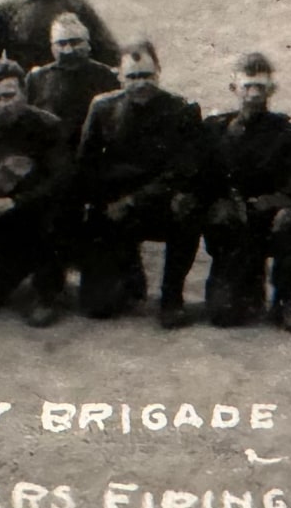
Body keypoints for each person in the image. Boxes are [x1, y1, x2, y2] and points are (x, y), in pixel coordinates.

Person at [73, 40, 205, 324]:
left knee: (188, 210)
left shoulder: (181, 109)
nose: (140, 84)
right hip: (114, 207)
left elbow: (182, 171)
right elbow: (87, 164)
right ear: (119, 77)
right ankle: (129, 272)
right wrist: (101, 204)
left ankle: (171, 297)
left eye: (146, 76)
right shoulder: (103, 108)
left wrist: (133, 201)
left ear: (158, 72)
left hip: (159, 202)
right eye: (132, 77)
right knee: (99, 308)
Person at [196, 52, 291, 331]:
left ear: (271, 89)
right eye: (246, 86)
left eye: (260, 87)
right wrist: (221, 205)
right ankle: (246, 283)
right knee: (223, 316)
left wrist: (262, 205)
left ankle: (284, 299)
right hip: (234, 227)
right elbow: (204, 181)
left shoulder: (289, 133)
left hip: (270, 221)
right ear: (233, 88)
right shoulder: (215, 129)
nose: (252, 94)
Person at [0, 59, 73, 325]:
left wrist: (17, 202)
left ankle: (47, 289)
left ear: (25, 93)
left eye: (9, 95)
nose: (2, 104)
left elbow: (61, 181)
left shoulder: (48, 127)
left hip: (39, 217)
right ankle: (17, 263)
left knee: (57, 217)